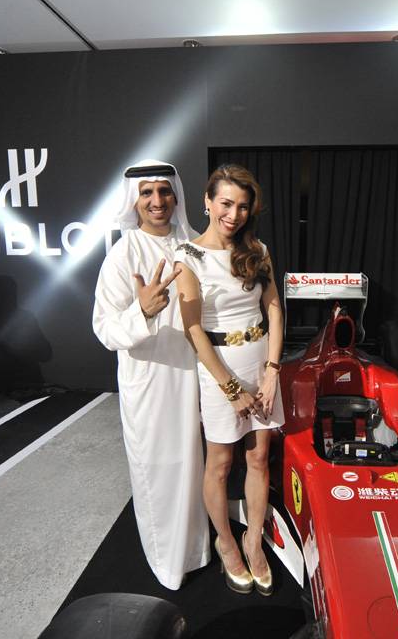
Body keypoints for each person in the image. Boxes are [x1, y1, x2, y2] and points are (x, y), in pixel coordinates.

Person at [91, 159, 210, 590]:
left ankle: (197, 549)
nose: (157, 201)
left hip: (197, 376)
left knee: (194, 466)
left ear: (176, 195)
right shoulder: (124, 254)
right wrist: (142, 312)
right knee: (158, 471)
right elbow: (105, 329)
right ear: (134, 201)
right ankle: (168, 562)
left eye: (164, 191)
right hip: (151, 381)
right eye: (146, 193)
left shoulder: (196, 246)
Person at [174, 164, 284, 596]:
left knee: (259, 458)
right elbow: (193, 330)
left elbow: (273, 309)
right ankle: (226, 542)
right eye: (225, 203)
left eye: (242, 206)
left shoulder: (258, 249)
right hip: (220, 370)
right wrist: (232, 389)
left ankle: (253, 540)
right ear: (207, 201)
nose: (234, 214)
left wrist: (272, 372)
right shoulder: (188, 256)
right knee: (219, 465)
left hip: (261, 364)